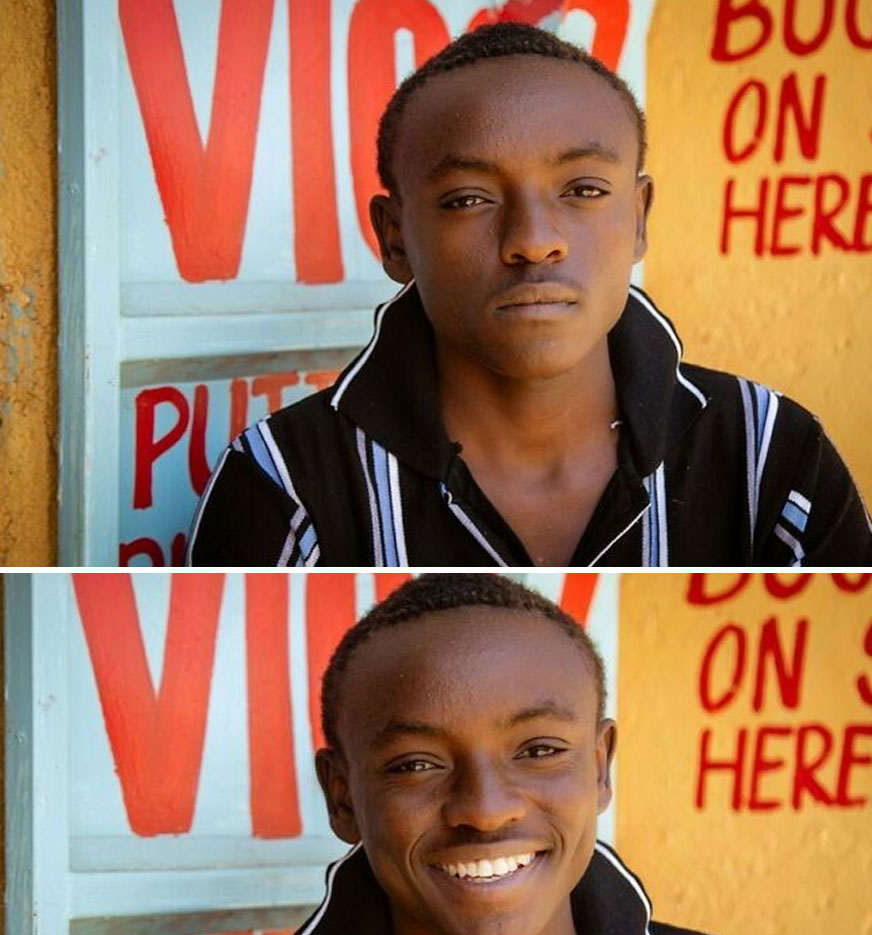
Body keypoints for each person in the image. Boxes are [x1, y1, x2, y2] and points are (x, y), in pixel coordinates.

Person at [132, 573, 863, 935]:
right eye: (416, 764)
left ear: (600, 766)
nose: (485, 808)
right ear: (343, 796)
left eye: (540, 750)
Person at [186, 23, 871, 568]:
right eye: (469, 199)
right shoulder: (289, 483)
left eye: (583, 191)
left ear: (638, 219)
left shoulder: (769, 453)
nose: (534, 241)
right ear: (394, 239)